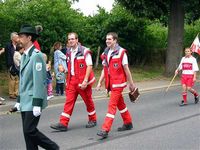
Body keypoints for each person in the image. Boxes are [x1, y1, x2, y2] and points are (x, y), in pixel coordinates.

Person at [11, 24, 59, 150]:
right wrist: (18, 101)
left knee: (29, 131)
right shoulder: (25, 55)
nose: (18, 39)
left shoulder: (36, 55)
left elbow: (39, 81)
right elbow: (23, 82)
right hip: (25, 100)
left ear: (29, 38)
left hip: (33, 100)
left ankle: (53, 147)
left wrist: (37, 103)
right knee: (27, 135)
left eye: (21, 36)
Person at [50, 32, 97, 131]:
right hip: (72, 81)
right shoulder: (68, 52)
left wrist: (85, 81)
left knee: (88, 101)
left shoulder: (84, 51)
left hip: (82, 82)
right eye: (69, 39)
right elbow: (72, 67)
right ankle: (63, 123)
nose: (71, 41)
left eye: (72, 39)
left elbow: (89, 66)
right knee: (68, 102)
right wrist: (65, 70)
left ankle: (93, 119)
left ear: (77, 40)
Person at [96, 32, 136, 138]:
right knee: (120, 104)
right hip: (110, 83)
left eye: (109, 39)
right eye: (106, 39)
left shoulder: (122, 52)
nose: (107, 41)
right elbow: (105, 70)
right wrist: (100, 82)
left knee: (112, 106)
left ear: (115, 40)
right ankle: (128, 123)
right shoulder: (106, 52)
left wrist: (131, 84)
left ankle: (105, 129)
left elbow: (126, 69)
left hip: (118, 83)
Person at [5, 32, 19, 99]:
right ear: (13, 38)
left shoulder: (18, 45)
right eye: (16, 37)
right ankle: (11, 94)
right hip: (11, 64)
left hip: (17, 64)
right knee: (12, 80)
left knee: (17, 79)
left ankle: (16, 93)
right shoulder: (8, 45)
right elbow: (8, 56)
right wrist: (9, 65)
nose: (18, 38)